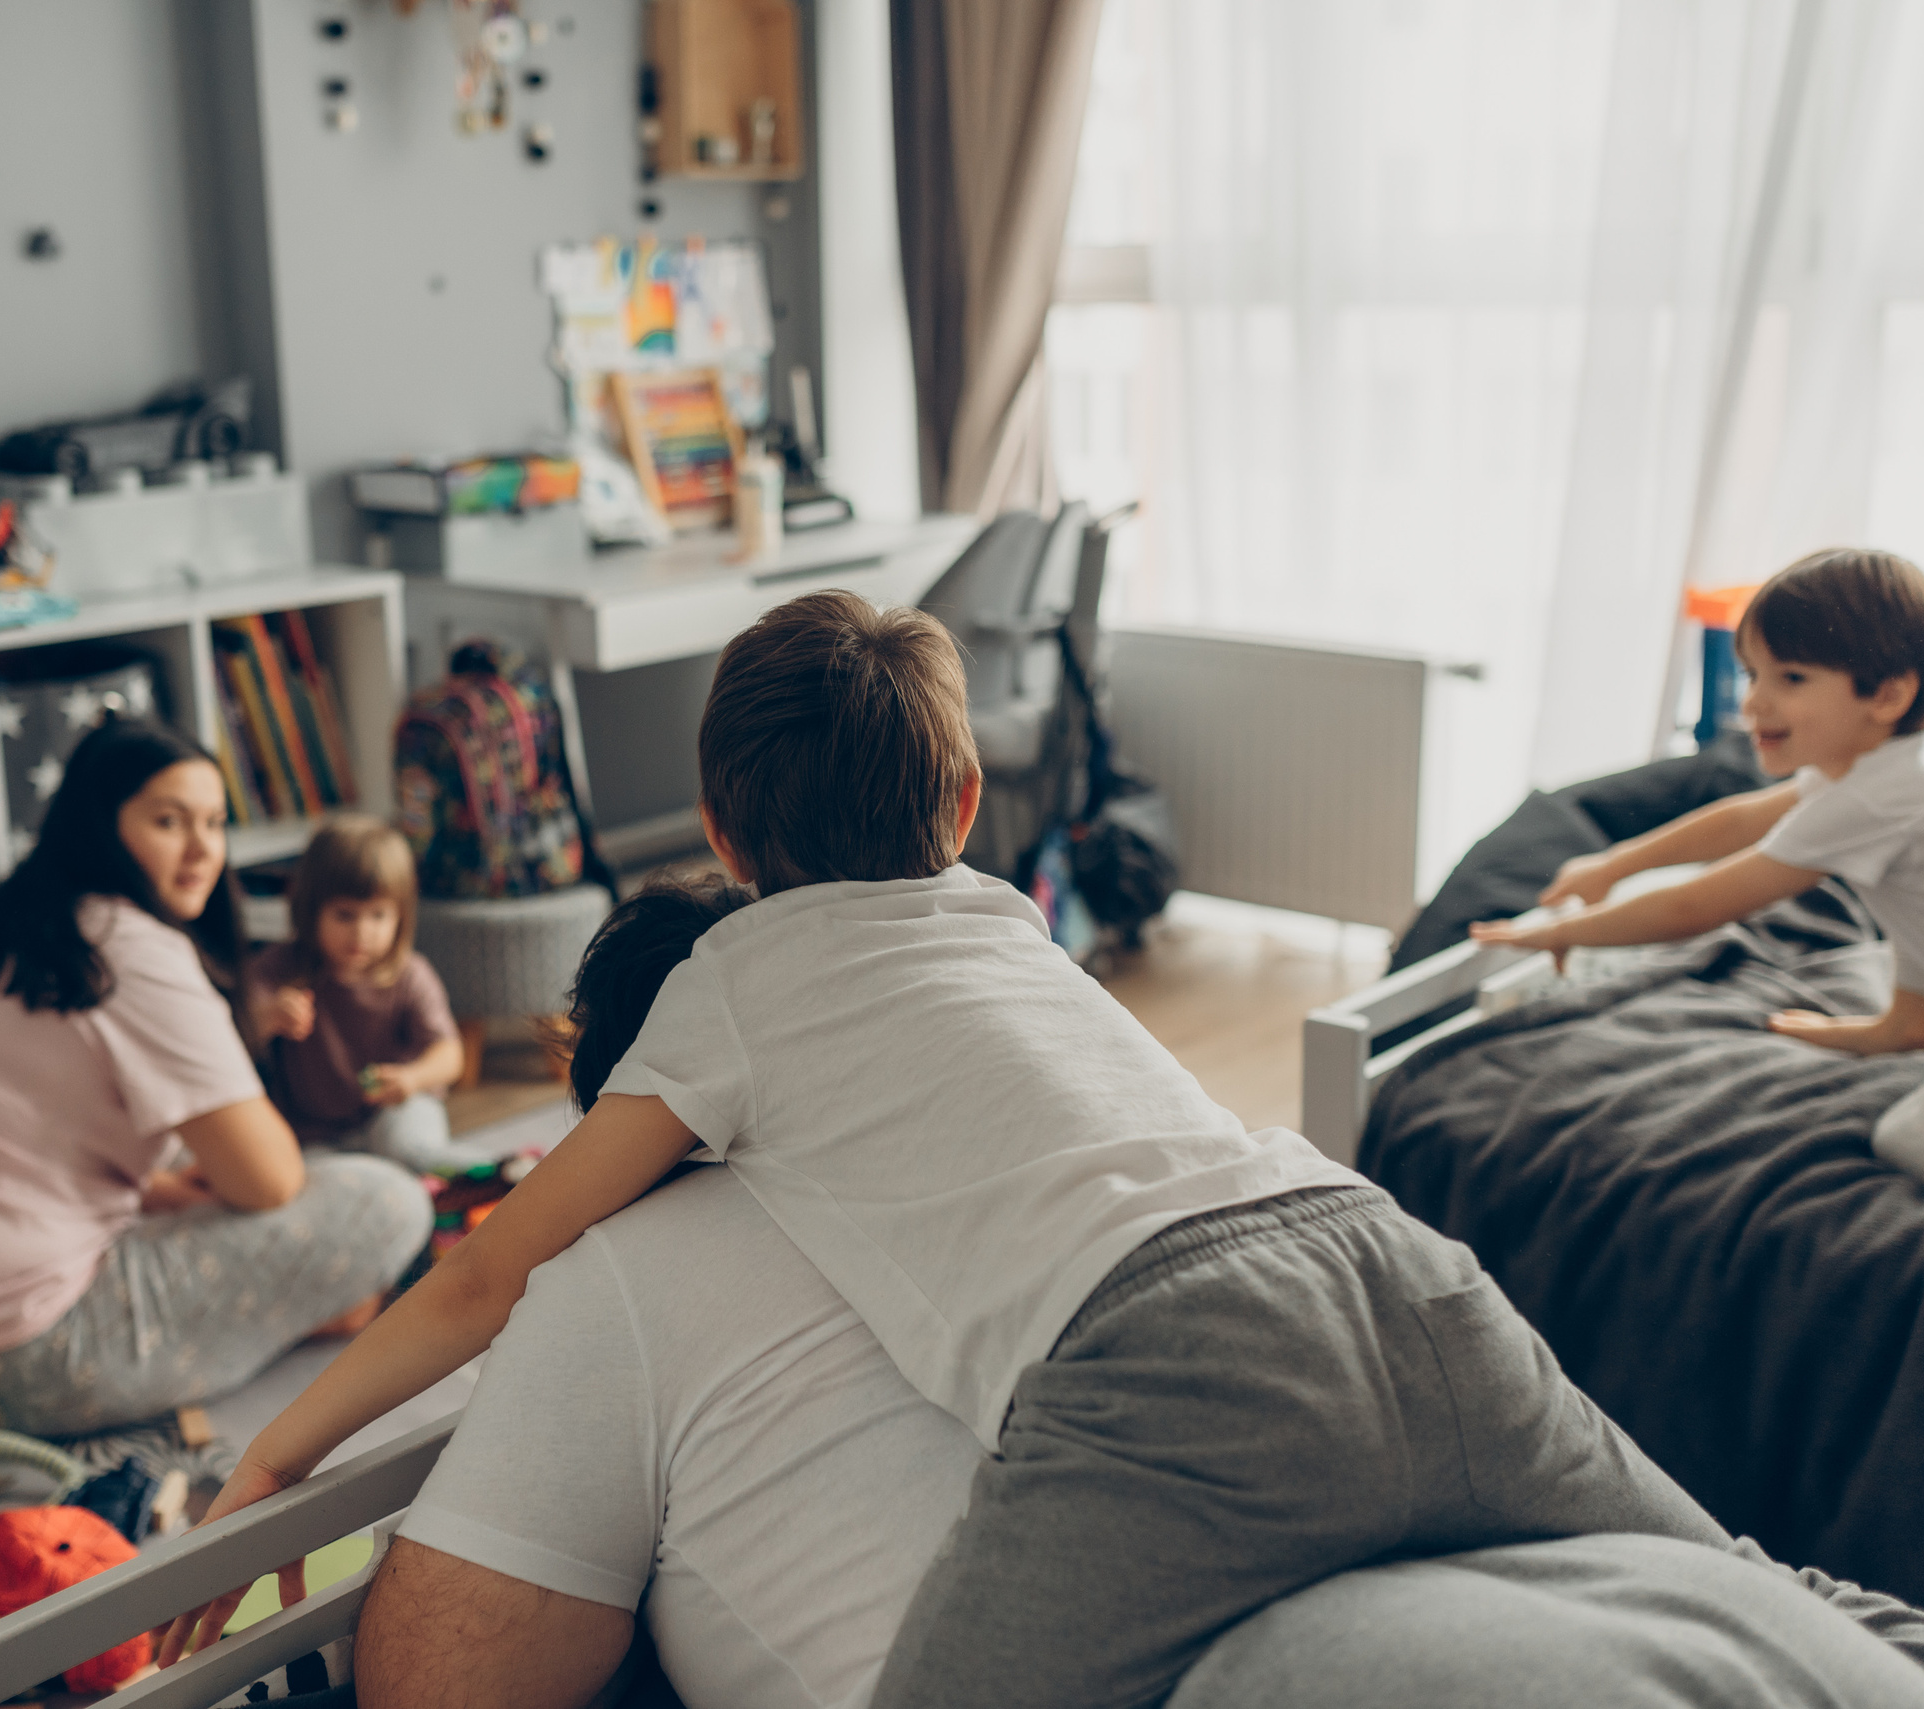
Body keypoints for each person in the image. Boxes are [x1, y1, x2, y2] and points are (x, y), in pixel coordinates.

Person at [160, 591, 1722, 1709]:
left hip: (1165, 1350)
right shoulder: (1015, 926)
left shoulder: (734, 983)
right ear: (967, 806)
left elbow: (493, 1269)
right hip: (1383, 1252)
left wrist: (279, 1450)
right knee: (1745, 1598)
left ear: (718, 834)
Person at [351, 875, 1924, 1709]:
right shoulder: (1112, 1136)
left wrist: (290, 1472)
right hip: (1577, 1576)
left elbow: (438, 1685)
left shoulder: (616, 1284)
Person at [0, 719, 432, 1437]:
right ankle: (292, 1324)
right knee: (387, 1200)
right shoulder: (131, 952)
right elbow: (269, 1181)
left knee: (188, 1173)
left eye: (214, 821)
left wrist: (159, 1184)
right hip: (12, 1353)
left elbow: (20, 1124)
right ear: (101, 828)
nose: (204, 848)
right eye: (170, 821)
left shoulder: (9, 921)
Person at [1474, 547, 1924, 1186]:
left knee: (1914, 1147)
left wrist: (1561, 932)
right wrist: (1613, 863)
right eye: (1752, 674)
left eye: (1789, 679)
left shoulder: (1874, 798)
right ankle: (1912, 1025)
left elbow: (1697, 906)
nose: (1753, 703)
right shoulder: (1917, 760)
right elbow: (1738, 819)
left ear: (1889, 695)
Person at [247, 815, 489, 1175]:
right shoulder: (277, 969)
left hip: (396, 1111)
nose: (362, 932)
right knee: (318, 1181)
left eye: (378, 916)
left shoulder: (410, 974)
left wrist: (413, 1078)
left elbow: (450, 1054)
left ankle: (507, 1175)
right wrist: (268, 1016)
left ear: (401, 917)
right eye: (345, 915)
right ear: (310, 910)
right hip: (314, 1136)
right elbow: (231, 1040)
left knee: (412, 1149)